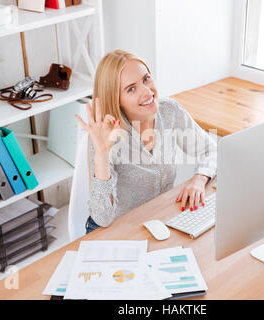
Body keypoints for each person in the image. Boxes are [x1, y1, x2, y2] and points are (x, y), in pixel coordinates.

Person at [76, 49, 217, 234]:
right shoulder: (106, 135)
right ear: (116, 99)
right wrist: (102, 153)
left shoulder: (169, 111)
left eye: (146, 79)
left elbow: (211, 151)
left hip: (158, 220)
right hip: (117, 230)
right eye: (131, 89)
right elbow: (103, 218)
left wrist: (199, 179)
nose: (147, 91)